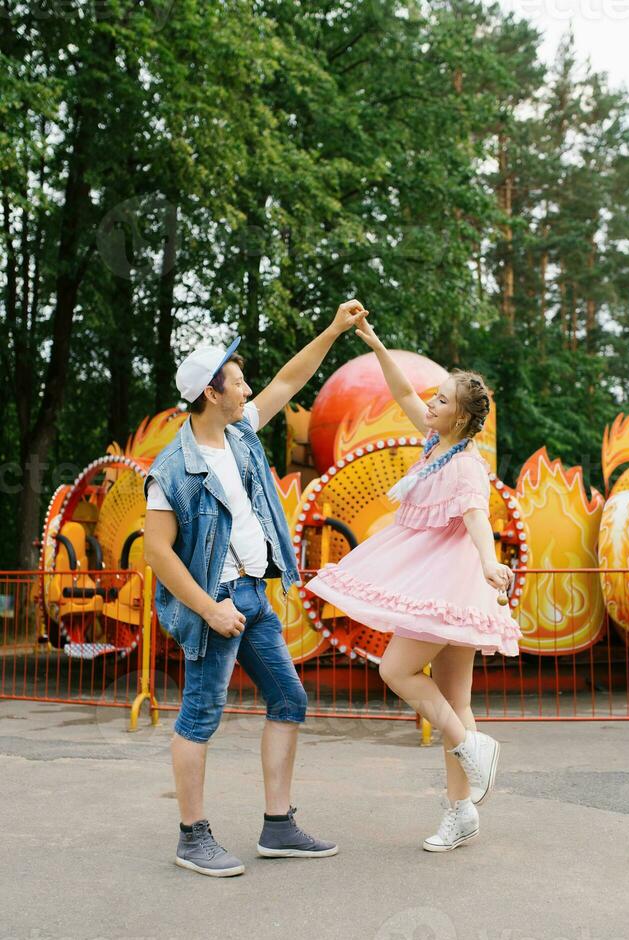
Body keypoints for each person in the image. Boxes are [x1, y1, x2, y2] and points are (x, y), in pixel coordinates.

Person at [144, 299, 368, 877]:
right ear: (211, 394)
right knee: (199, 718)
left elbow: (290, 378)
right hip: (213, 606)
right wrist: (209, 610)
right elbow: (156, 552)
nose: (248, 391)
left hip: (253, 596)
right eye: (238, 383)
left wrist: (335, 327)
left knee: (290, 700)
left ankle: (278, 826)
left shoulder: (240, 435)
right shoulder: (171, 469)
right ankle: (192, 838)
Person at [305, 318, 522, 853]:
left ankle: (471, 746)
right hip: (439, 579)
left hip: (447, 582)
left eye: (442, 399)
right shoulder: (433, 444)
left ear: (463, 416)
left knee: (395, 669)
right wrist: (377, 343)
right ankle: (460, 811)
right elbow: (402, 388)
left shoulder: (467, 465)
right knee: (454, 697)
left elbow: (476, 517)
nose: (431, 402)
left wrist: (491, 563)